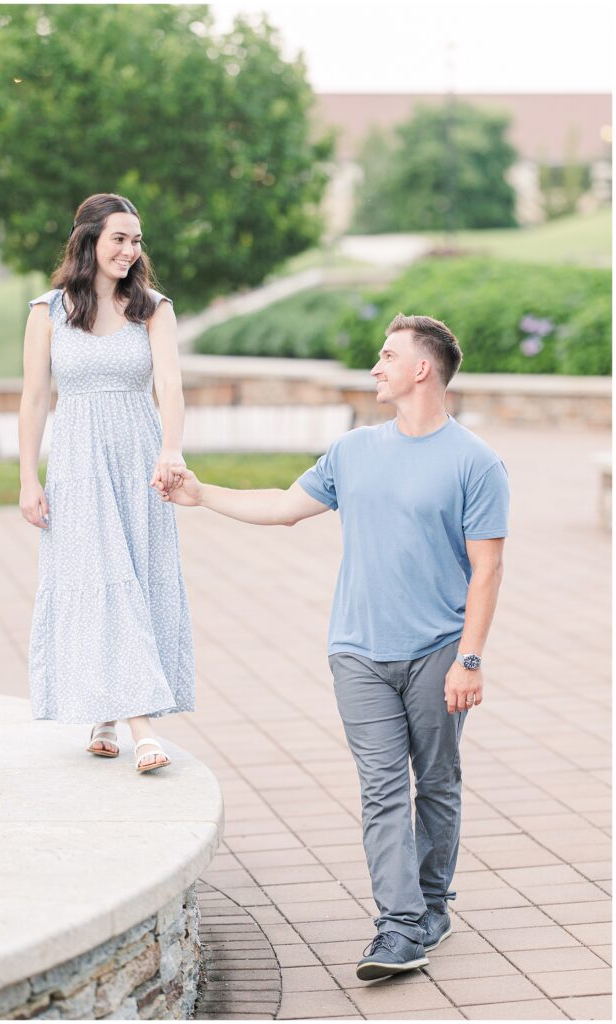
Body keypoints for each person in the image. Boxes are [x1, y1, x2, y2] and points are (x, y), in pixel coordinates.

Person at [157, 314, 509, 978]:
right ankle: (400, 925)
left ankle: (432, 905)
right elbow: (283, 507)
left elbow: (487, 568)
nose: (375, 367)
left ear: (421, 370)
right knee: (381, 789)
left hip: (438, 649)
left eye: (387, 356)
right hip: (357, 652)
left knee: (435, 782)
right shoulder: (352, 451)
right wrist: (201, 495)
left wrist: (469, 657)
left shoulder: (476, 463)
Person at [19, 192, 194, 774]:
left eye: (137, 240)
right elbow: (34, 399)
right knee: (101, 578)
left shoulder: (153, 308)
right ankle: (141, 726)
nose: (130, 250)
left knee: (133, 580)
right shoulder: (47, 311)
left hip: (138, 460)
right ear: (88, 239)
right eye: (119, 238)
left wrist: (172, 448)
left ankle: (107, 713)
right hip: (76, 463)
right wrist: (27, 478)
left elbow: (169, 385)